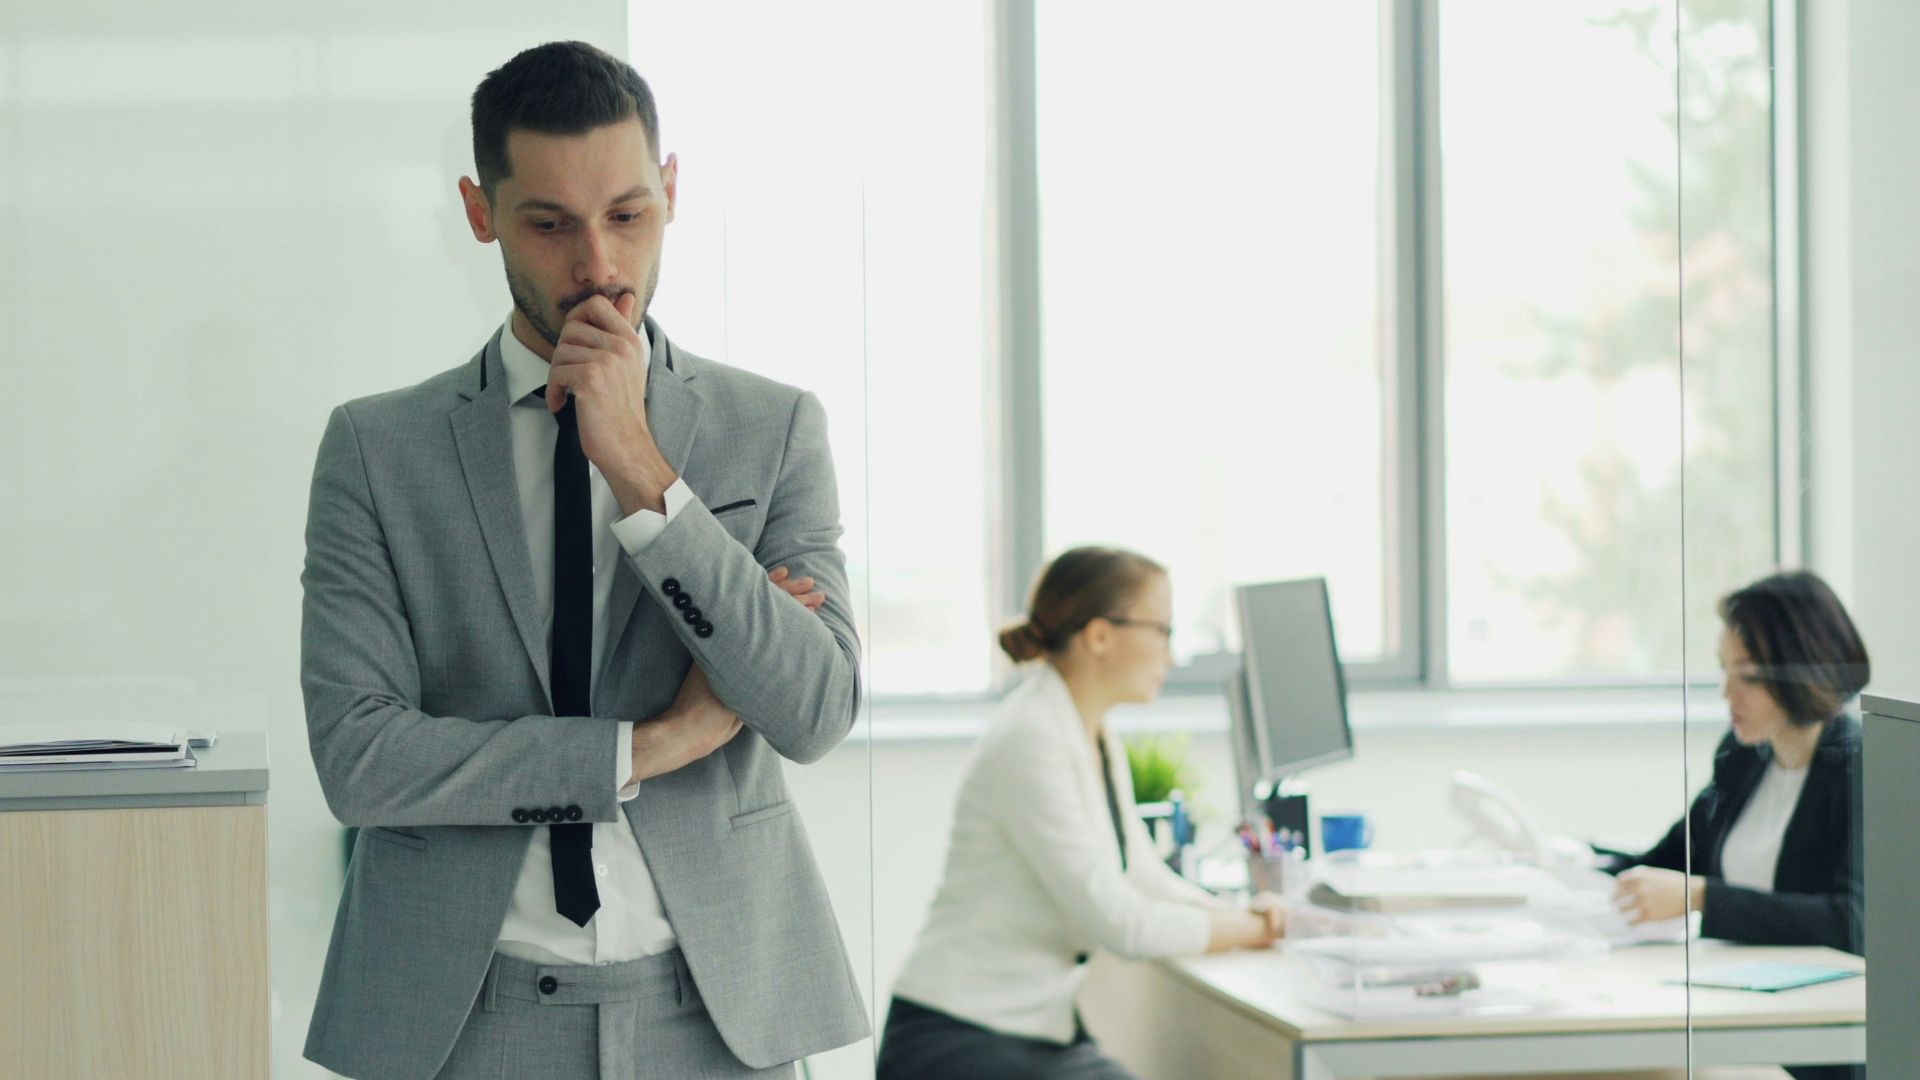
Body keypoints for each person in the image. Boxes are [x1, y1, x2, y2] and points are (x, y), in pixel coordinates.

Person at [299, 42, 864, 1080]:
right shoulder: (380, 451)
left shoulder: (770, 429)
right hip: (465, 1016)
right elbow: (359, 759)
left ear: (673, 191)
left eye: (629, 214)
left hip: (717, 1015)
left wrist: (648, 476)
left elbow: (816, 710)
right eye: (549, 223)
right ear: (481, 212)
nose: (599, 264)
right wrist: (644, 749)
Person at [878, 547, 1286, 1080]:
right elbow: (1122, 924)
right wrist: (1251, 928)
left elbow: (1141, 874)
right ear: (1099, 635)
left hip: (1032, 1028)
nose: (1172, 653)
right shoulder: (1032, 736)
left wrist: (1244, 915)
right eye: (1162, 630)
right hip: (958, 1038)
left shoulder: (1087, 727)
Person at [1610, 571, 1868, 1080]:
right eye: (1725, 671)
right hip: (1735, 1015)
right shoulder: (1743, 756)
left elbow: (1854, 923)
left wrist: (1704, 896)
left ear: (1807, 672)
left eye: (1748, 676)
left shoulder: (1861, 767)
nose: (1729, 693)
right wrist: (1574, 863)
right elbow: (1668, 860)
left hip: (1815, 1044)